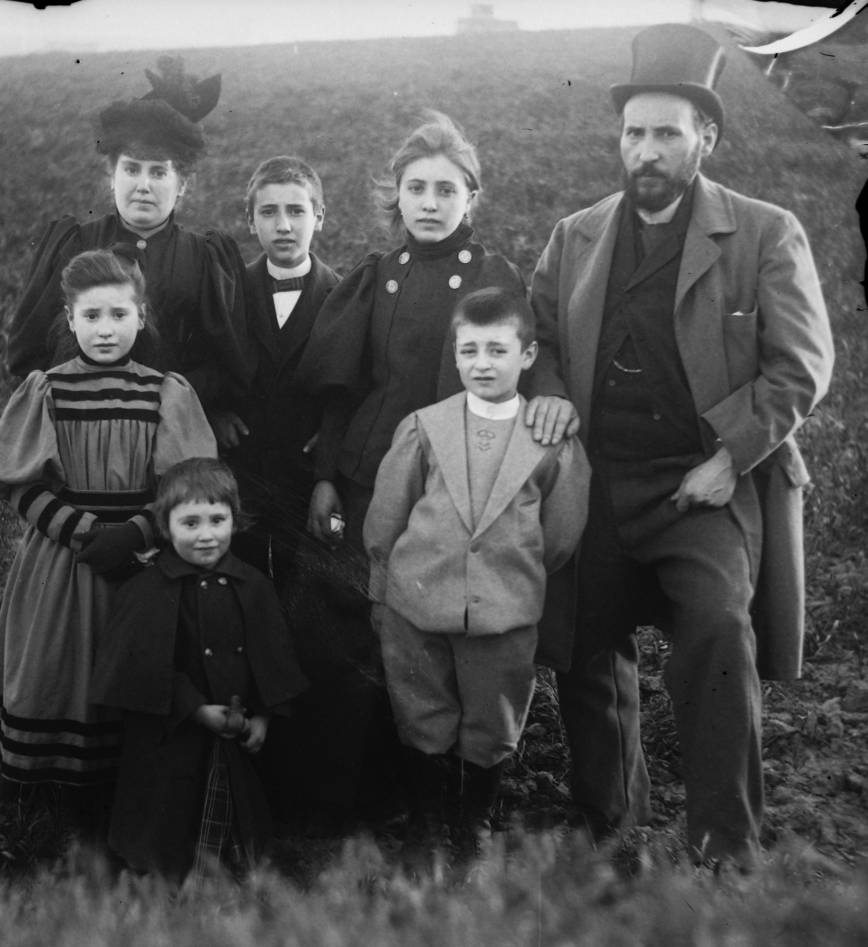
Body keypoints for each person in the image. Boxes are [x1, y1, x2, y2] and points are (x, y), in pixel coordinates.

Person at [529, 24, 834, 870]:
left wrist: (729, 455)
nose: (648, 151)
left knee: (715, 634)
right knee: (584, 648)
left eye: (668, 132)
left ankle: (723, 847)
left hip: (702, 486)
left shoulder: (765, 232)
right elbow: (539, 336)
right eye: (635, 132)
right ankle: (609, 828)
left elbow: (801, 366)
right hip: (598, 484)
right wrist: (551, 393)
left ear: (707, 137)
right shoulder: (575, 235)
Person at [294, 111, 541, 817]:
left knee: (457, 632)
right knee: (379, 627)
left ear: (471, 197)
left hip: (463, 482)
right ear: (394, 196)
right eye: (415, 188)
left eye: (445, 189)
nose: (429, 203)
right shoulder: (378, 276)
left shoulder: (494, 274)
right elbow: (344, 389)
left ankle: (461, 799)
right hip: (377, 475)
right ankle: (377, 791)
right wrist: (325, 476)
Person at [0, 249, 219, 803]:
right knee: (59, 662)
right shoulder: (48, 390)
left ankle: (127, 795)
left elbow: (186, 488)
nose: (105, 330)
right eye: (91, 317)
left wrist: (135, 533)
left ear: (141, 316)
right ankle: (54, 791)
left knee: (138, 663)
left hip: (144, 558)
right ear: (69, 320)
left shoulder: (164, 392)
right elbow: (19, 484)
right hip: (64, 559)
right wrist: (86, 534)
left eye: (118, 316)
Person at [363, 288, 590, 861]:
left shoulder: (551, 441)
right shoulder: (425, 427)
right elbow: (387, 519)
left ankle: (474, 824)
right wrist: (383, 592)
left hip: (504, 612)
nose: (482, 364)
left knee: (492, 722)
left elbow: (559, 537)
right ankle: (427, 824)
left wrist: (510, 580)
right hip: (418, 605)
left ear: (528, 356)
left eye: (497, 350)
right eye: (470, 351)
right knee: (421, 712)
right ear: (456, 355)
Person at [90, 458, 307, 883]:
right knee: (168, 816)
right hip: (171, 735)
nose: (206, 535)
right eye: (190, 523)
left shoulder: (253, 584)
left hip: (236, 729)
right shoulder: (148, 589)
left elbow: (273, 660)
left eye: (217, 520)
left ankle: (229, 869)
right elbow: (139, 668)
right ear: (166, 527)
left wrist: (263, 715)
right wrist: (194, 708)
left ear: (235, 520)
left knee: (233, 805)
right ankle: (162, 874)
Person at [5, 56, 249, 420]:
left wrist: (179, 401)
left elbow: (226, 366)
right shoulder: (73, 244)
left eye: (159, 173)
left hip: (173, 425)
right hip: (77, 424)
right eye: (131, 169)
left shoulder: (204, 258)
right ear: (111, 176)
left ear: (182, 185)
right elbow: (28, 357)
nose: (143, 186)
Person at [224, 155, 340, 589]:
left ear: (319, 217)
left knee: (304, 581)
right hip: (243, 463)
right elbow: (209, 362)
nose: (284, 226)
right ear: (251, 221)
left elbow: (350, 386)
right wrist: (218, 412)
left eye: (297, 211)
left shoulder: (342, 296)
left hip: (305, 470)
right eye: (269, 212)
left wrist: (331, 441)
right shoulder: (230, 291)